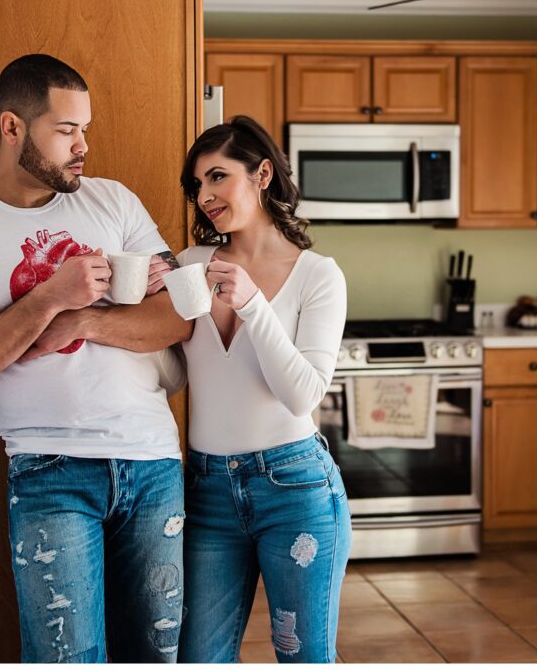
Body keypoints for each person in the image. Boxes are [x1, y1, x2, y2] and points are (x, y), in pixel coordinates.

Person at [0, 54, 190, 663]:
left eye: (85, 130)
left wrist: (83, 320)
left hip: (151, 463)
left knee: (156, 658)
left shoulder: (113, 201)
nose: (82, 146)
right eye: (66, 130)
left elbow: (179, 316)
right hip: (50, 472)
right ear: (12, 128)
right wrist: (47, 298)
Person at [175, 115, 350, 663]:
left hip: (295, 489)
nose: (204, 195)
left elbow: (303, 395)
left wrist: (252, 305)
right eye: (197, 184)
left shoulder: (318, 275)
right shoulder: (189, 266)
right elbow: (171, 375)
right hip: (207, 492)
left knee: (301, 655)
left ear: (263, 174)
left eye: (218, 177)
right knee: (198, 658)